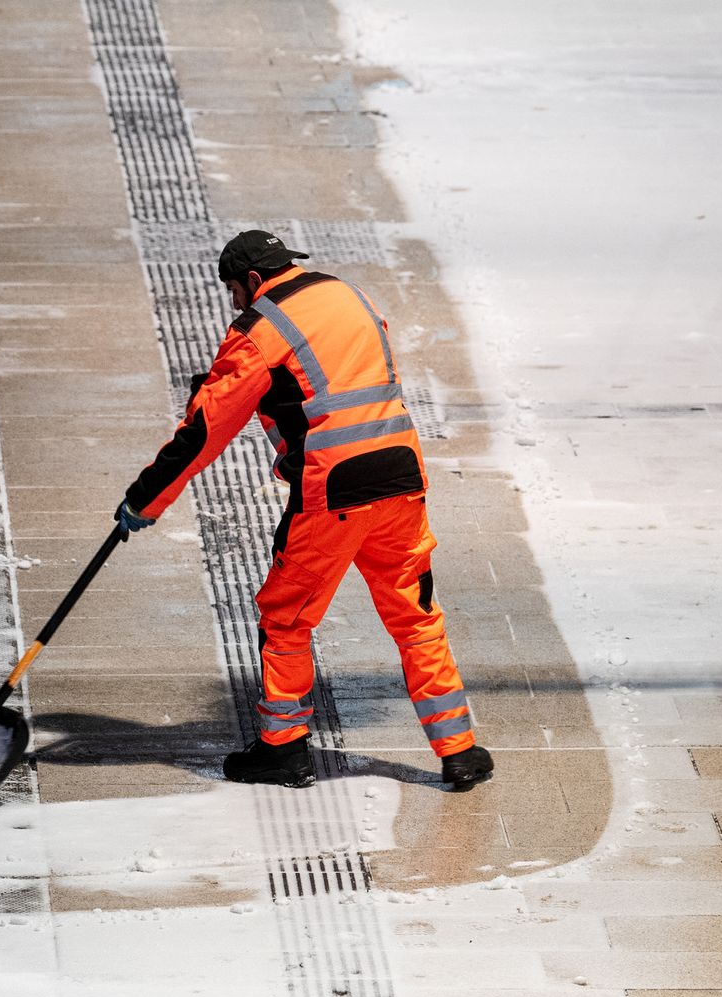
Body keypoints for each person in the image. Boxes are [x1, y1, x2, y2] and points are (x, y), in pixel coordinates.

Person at [116, 230, 494, 791]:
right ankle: (459, 751)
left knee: (286, 617)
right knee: (414, 615)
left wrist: (145, 499)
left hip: (333, 488)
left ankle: (283, 750)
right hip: (400, 472)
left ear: (249, 280)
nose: (236, 303)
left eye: (233, 291)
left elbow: (205, 429)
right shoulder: (349, 294)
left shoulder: (258, 330)